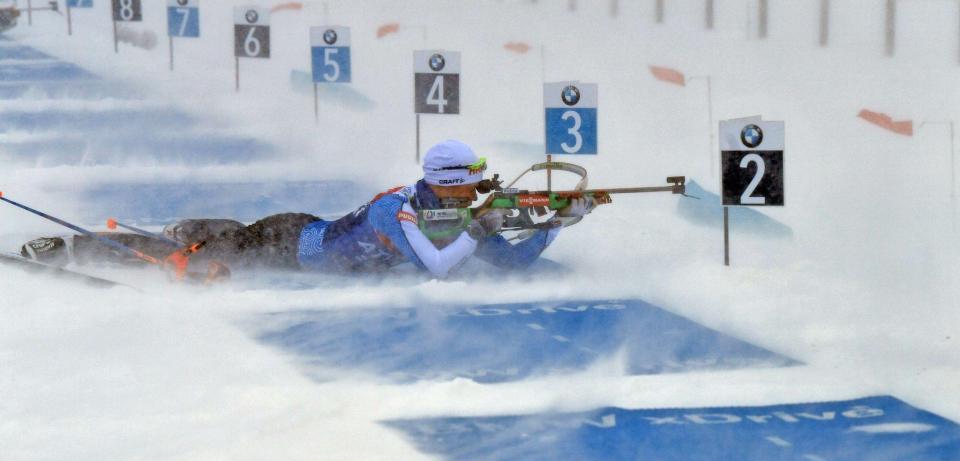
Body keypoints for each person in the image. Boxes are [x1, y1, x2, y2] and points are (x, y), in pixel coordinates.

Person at [21, 140, 593, 279]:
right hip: (289, 245)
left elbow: (510, 264)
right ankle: (75, 247)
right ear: (443, 183)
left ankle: (198, 228)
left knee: (215, 244)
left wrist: (557, 227)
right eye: (466, 186)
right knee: (192, 262)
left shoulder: (459, 218)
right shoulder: (397, 208)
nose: (475, 196)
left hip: (307, 240)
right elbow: (438, 267)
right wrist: (485, 224)